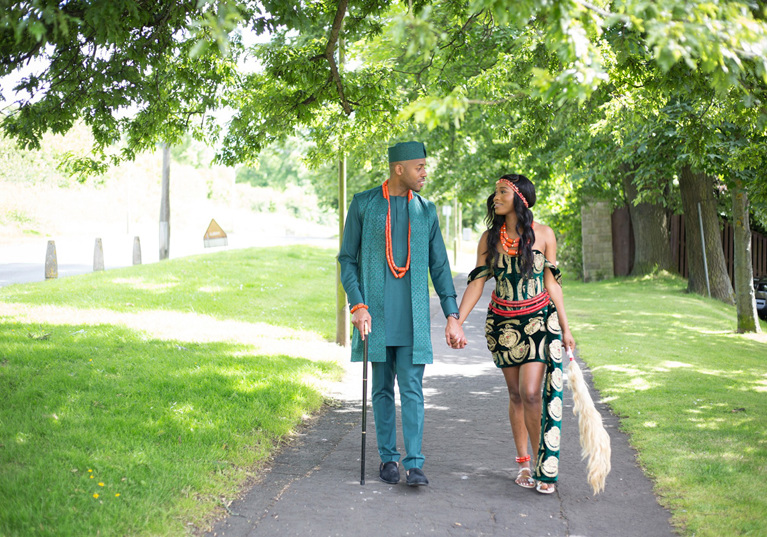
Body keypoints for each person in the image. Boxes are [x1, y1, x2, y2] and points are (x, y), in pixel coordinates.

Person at [338, 141, 465, 487]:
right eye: (419, 167)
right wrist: (357, 304)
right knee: (381, 388)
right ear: (399, 169)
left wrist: (452, 313)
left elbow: (440, 266)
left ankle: (415, 463)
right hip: (375, 315)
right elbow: (347, 259)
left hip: (413, 318)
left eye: (425, 166)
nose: (425, 173)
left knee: (412, 387)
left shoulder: (426, 210)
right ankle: (388, 460)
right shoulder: (364, 204)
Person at [452, 174, 575, 494]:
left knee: (532, 392)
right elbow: (477, 283)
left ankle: (541, 466)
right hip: (503, 326)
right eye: (495, 192)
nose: (496, 197)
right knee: (517, 395)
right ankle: (523, 463)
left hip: (537, 322)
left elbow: (552, 283)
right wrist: (458, 321)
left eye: (502, 191)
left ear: (519, 198)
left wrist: (565, 326)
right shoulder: (488, 239)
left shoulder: (545, 235)